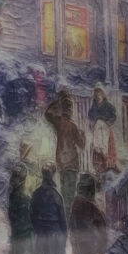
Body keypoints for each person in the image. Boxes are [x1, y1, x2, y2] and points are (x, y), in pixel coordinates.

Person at [30, 161, 67, 254]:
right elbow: (62, 219)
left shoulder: (36, 194)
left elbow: (31, 215)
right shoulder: (56, 195)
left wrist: (38, 228)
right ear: (53, 175)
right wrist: (64, 236)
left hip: (42, 235)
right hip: (55, 234)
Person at [44, 90, 85, 220]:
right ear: (70, 110)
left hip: (61, 161)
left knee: (63, 193)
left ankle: (64, 220)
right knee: (70, 197)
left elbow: (47, 113)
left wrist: (58, 101)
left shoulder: (58, 122)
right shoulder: (73, 126)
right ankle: (67, 221)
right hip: (72, 163)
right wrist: (83, 135)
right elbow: (82, 145)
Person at [69, 172, 107, 254]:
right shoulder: (92, 206)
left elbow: (72, 225)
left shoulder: (75, 205)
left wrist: (73, 239)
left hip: (80, 242)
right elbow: (102, 223)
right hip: (91, 242)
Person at [7, 163, 34, 254]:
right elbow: (31, 216)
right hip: (26, 233)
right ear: (24, 181)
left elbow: (11, 216)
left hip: (17, 233)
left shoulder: (12, 196)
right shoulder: (25, 198)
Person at [88, 84, 119, 178]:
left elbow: (113, 116)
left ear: (103, 94)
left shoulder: (108, 106)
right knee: (97, 149)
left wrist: (108, 122)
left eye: (99, 93)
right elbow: (90, 117)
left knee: (106, 150)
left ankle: (110, 167)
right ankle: (99, 171)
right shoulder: (93, 106)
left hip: (105, 131)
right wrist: (92, 124)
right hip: (97, 131)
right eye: (96, 93)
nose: (98, 96)